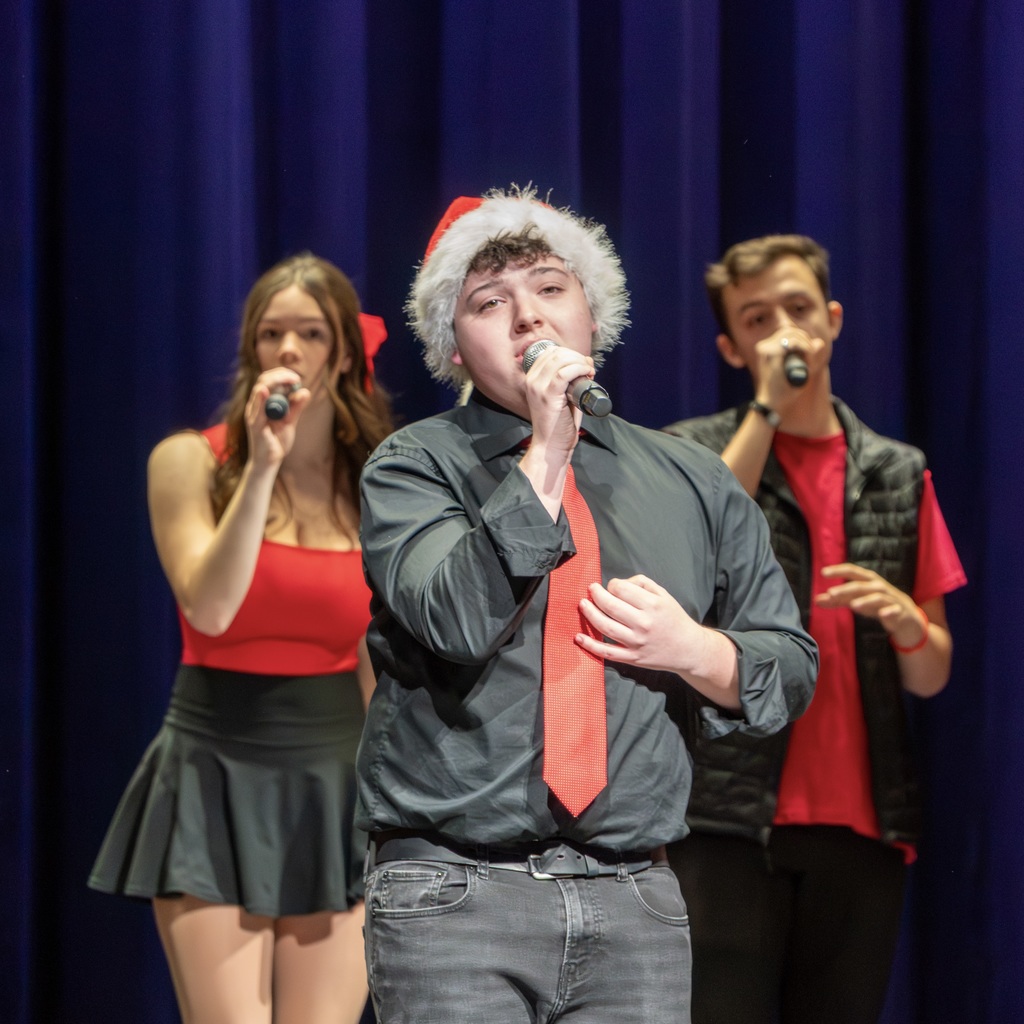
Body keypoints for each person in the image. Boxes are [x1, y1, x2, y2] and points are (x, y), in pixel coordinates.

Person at [354, 187, 819, 1024]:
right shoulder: (414, 466)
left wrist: (695, 650)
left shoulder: (692, 481)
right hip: (455, 893)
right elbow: (456, 619)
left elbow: (787, 665)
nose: (527, 317)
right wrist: (544, 454)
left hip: (634, 897)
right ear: (454, 348)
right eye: (490, 303)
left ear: (593, 315)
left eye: (550, 288)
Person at [663, 234, 967, 1024]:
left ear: (832, 320)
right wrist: (767, 408)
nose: (785, 331)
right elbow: (694, 545)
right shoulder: (699, 455)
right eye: (758, 318)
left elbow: (932, 672)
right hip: (727, 817)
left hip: (862, 825)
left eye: (799, 309)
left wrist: (907, 624)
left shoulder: (897, 471)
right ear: (733, 347)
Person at [89, 253, 394, 1024]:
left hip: (334, 782)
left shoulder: (378, 487)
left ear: (346, 353)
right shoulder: (190, 462)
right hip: (213, 769)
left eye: (312, 334)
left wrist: (400, 805)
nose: (288, 351)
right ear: (251, 352)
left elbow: (373, 662)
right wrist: (261, 468)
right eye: (271, 334)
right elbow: (212, 607)